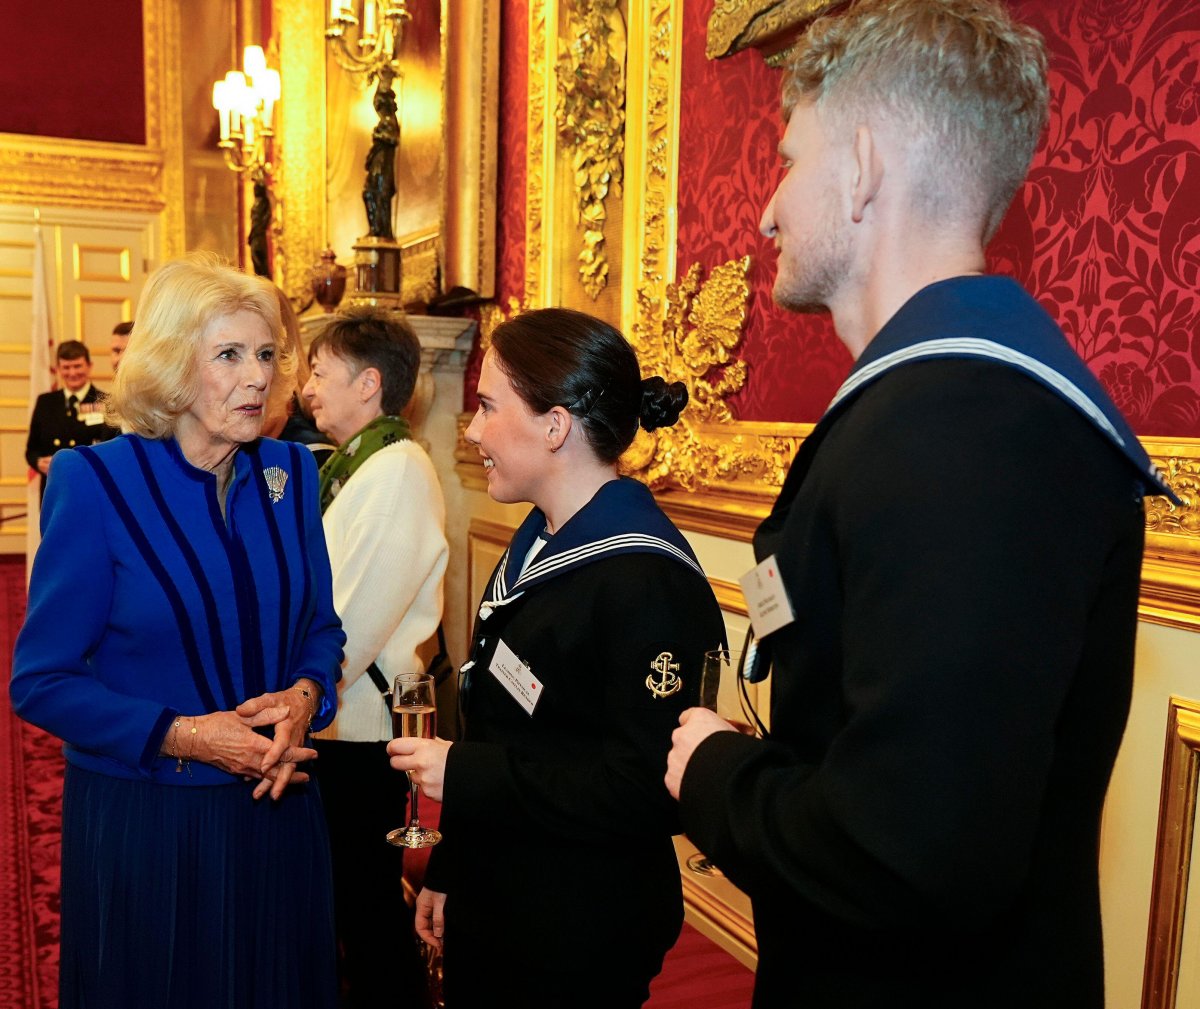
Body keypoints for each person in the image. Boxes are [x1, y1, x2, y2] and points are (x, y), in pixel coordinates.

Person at [664, 2, 1175, 1008]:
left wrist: (718, 776)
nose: (766, 210)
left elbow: (909, 854)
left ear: (859, 169)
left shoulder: (966, 429)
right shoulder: (943, 409)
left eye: (787, 156)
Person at [10, 254, 346, 1009]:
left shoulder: (290, 475)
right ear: (170, 363)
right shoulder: (94, 483)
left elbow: (321, 627)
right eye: (229, 354)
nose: (257, 376)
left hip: (280, 811)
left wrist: (304, 695)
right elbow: (41, 680)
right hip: (154, 825)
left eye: (265, 354)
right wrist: (189, 735)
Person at [389, 307, 726, 1009]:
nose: (472, 429)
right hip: (505, 892)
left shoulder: (646, 578)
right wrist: (453, 867)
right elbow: (509, 726)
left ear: (555, 425)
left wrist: (465, 772)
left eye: (487, 405)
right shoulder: (541, 536)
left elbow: (645, 789)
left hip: (577, 924)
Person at [301, 305, 448, 1008]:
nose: (306, 387)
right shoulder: (357, 466)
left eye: (319, 371)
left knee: (366, 905)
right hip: (334, 721)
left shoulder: (398, 470)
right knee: (343, 898)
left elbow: (350, 624)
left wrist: (293, 693)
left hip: (357, 726)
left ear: (368, 383)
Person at [25, 340, 117, 496]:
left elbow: (112, 449)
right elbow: (32, 449)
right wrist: (38, 462)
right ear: (59, 370)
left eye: (77, 366)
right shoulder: (45, 402)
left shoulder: (106, 401)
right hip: (55, 489)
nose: (72, 373)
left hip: (92, 488)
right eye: (66, 367)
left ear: (89, 366)